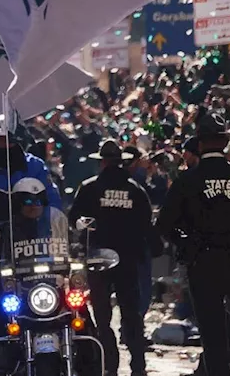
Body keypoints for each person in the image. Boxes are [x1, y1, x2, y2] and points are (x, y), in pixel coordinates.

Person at [157, 111, 230, 376]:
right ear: (224, 141)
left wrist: (186, 245)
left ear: (200, 143)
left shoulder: (187, 181)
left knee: (214, 333)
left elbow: (163, 225)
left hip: (203, 264)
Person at [68, 140, 152, 376]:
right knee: (132, 316)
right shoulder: (136, 190)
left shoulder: (89, 188)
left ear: (102, 162)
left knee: (103, 318)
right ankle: (138, 367)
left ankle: (110, 366)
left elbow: (74, 220)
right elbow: (147, 226)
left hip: (98, 261)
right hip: (128, 261)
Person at [0, 114, 63, 228]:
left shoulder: (35, 165)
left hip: (33, 231)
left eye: (10, 140)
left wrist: (53, 222)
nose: (7, 145)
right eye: (1, 140)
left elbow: (51, 196)